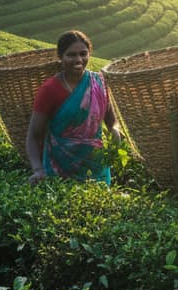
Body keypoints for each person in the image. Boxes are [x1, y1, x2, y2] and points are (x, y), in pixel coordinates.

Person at [26, 30, 121, 184]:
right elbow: (33, 135)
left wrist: (115, 130)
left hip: (96, 168)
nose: (78, 60)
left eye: (83, 54)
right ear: (60, 57)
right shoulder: (50, 89)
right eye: (71, 55)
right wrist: (38, 169)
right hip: (59, 169)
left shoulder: (99, 83)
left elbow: (111, 121)